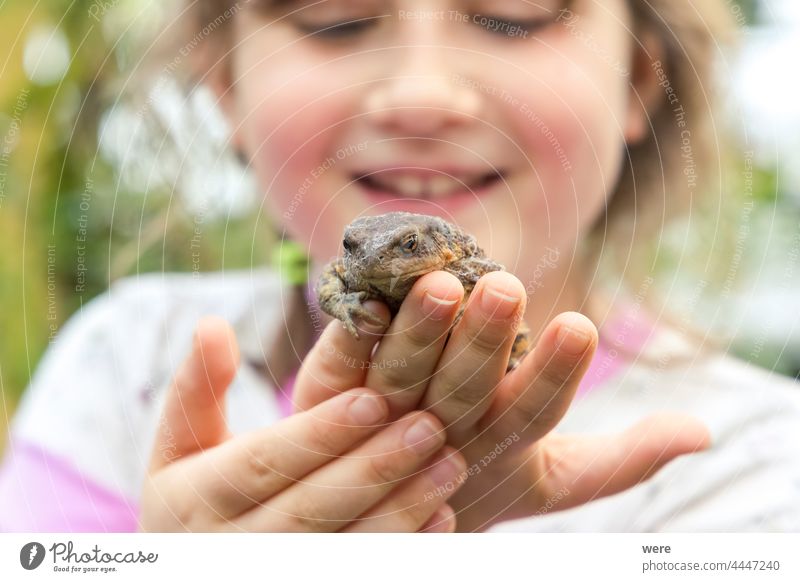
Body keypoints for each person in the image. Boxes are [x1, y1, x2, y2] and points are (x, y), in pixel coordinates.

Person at [2, 0, 799, 533]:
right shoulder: (130, 364)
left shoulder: (757, 461)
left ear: (637, 80)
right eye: (335, 19)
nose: (421, 96)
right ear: (225, 88)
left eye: (510, 16)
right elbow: (344, 280)